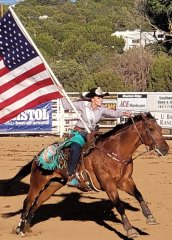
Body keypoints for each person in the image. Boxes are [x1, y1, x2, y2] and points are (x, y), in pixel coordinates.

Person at [61, 87, 132, 187]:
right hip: (80, 132)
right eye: (99, 98)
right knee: (75, 147)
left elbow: (112, 113)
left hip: (92, 134)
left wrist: (124, 113)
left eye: (101, 98)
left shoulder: (101, 109)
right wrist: (62, 95)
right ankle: (71, 174)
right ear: (92, 98)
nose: (101, 100)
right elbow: (66, 105)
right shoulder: (83, 105)